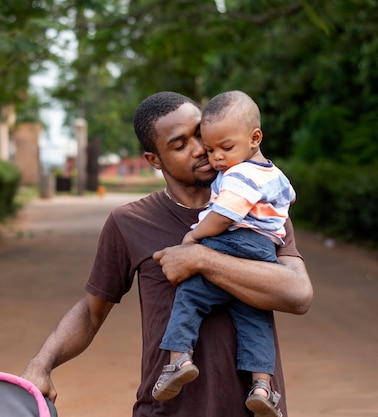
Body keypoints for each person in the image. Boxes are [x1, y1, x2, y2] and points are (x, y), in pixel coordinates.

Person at [20, 91, 313, 417]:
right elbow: (91, 312)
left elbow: (297, 294)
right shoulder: (129, 222)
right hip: (167, 410)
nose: (201, 149)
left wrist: (201, 259)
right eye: (180, 144)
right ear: (154, 160)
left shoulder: (261, 207)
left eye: (200, 135)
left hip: (252, 408)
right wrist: (40, 364)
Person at [151, 91, 296, 417]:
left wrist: (195, 235)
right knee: (255, 320)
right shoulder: (276, 175)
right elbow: (287, 202)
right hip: (264, 251)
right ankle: (262, 387)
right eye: (211, 148)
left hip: (233, 240)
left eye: (224, 148)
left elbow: (225, 215)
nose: (215, 157)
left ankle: (178, 360)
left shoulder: (240, 174)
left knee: (190, 294)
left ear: (255, 138)